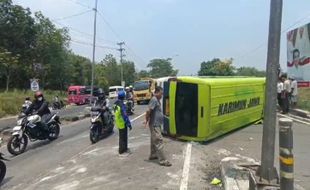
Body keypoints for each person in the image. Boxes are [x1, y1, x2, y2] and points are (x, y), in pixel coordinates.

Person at [145, 86, 172, 167]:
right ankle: (163, 160)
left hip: (156, 124)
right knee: (159, 141)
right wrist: (146, 120)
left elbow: (156, 111)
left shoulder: (157, 100)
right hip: (154, 124)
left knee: (154, 140)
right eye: (161, 94)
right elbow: (148, 111)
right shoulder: (154, 99)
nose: (162, 95)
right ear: (156, 92)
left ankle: (153, 155)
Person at [114, 91, 132, 155]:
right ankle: (122, 149)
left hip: (118, 122)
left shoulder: (115, 103)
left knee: (121, 137)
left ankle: (122, 149)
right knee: (124, 137)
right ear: (123, 97)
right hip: (122, 123)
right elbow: (125, 116)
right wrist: (129, 124)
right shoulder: (121, 105)